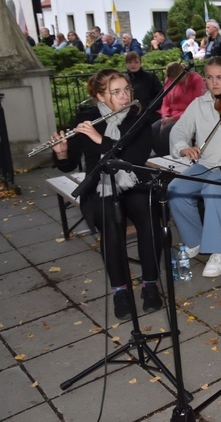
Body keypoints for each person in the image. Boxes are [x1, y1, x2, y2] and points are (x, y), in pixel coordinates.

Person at [51, 69, 161, 320]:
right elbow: (68, 165)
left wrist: (101, 140)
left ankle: (150, 284)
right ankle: (120, 291)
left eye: (127, 90)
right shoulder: (87, 118)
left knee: (148, 215)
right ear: (101, 97)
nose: (125, 96)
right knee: (110, 220)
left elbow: (135, 157)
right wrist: (61, 153)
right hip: (98, 185)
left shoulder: (138, 117)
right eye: (116, 92)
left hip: (132, 180)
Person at [167, 57, 221, 278]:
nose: (215, 83)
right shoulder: (199, 105)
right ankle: (195, 240)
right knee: (175, 189)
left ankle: (219, 252)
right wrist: (183, 148)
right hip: (207, 163)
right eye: (209, 78)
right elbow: (178, 132)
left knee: (213, 188)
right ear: (204, 79)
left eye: (220, 77)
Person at [152, 60, 205, 156]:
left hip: (186, 115)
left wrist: (173, 118)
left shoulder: (195, 79)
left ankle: (172, 157)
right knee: (153, 129)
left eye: (177, 79)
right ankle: (163, 156)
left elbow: (196, 105)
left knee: (166, 132)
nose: (174, 82)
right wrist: (165, 116)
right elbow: (165, 102)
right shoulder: (169, 81)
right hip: (170, 116)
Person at [125, 52, 163, 126]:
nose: (133, 65)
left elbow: (160, 95)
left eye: (136, 62)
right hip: (130, 114)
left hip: (149, 112)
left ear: (140, 63)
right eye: (130, 62)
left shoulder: (150, 77)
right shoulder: (124, 79)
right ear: (126, 64)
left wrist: (149, 107)